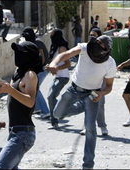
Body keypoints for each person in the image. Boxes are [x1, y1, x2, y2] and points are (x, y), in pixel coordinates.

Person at [47, 35, 116, 169]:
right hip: (74, 89)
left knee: (90, 129)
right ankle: (83, 107)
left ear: (107, 50)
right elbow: (65, 54)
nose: (98, 47)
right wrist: (54, 64)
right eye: (98, 43)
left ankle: (88, 165)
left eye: (102, 46)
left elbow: (109, 86)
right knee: (57, 114)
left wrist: (102, 93)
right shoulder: (84, 48)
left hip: (92, 94)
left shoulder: (110, 63)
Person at [0, 41, 42, 169]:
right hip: (15, 131)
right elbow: (13, 92)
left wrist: (9, 89)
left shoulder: (30, 75)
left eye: (21, 52)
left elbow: (30, 101)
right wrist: (2, 87)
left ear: (29, 56)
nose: (17, 54)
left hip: (23, 133)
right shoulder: (18, 72)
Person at [80, 28, 109, 136]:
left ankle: (103, 126)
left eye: (94, 35)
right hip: (88, 81)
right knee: (87, 103)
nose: (92, 37)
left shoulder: (104, 49)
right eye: (90, 35)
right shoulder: (87, 48)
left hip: (101, 80)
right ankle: (87, 126)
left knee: (100, 103)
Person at [21, 26, 50, 119]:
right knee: (33, 88)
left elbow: (42, 58)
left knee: (36, 88)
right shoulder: (29, 43)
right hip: (36, 69)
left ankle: (46, 111)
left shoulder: (38, 42)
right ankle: (37, 109)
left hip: (43, 68)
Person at [46, 29, 70, 129]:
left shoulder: (62, 48)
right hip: (58, 77)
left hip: (63, 77)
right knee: (49, 97)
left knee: (51, 97)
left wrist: (56, 68)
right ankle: (58, 116)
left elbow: (68, 64)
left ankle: (57, 117)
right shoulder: (55, 48)